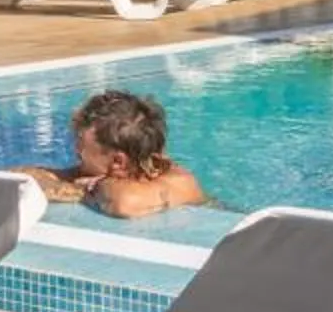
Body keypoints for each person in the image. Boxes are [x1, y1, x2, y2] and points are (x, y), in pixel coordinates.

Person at [17, 90, 210, 219]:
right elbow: (21, 176)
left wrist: (81, 191)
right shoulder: (107, 173)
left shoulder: (179, 181)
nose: (76, 150)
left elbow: (124, 203)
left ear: (118, 162)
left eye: (81, 144)